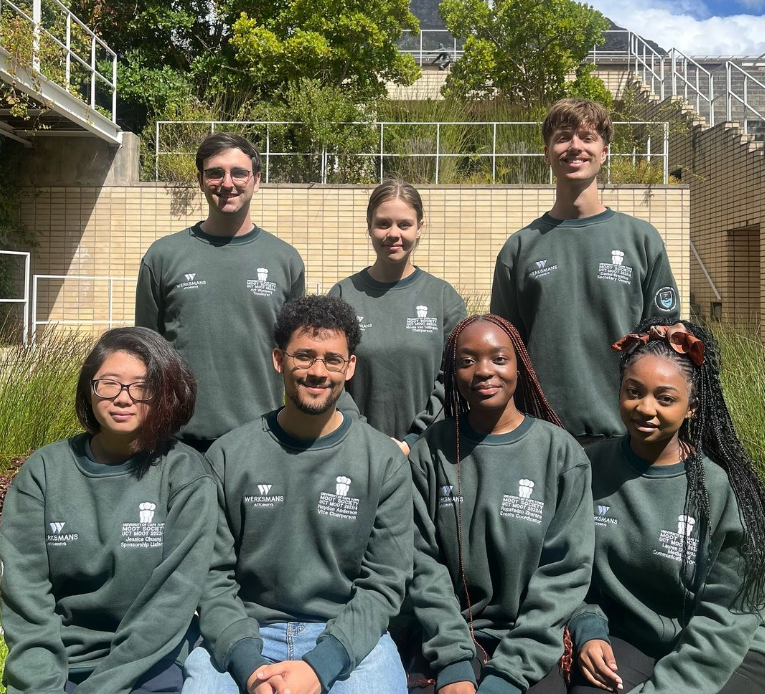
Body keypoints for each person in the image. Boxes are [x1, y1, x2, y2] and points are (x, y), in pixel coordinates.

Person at [167, 295, 414, 694]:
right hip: (243, 633)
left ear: (349, 366)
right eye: (304, 356)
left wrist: (319, 668)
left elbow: (385, 584)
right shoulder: (230, 455)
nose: (316, 371)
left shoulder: (383, 462)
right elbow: (211, 579)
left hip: (348, 636)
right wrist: (252, 667)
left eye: (330, 359)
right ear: (279, 359)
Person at [0, 327, 216, 694]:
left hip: (148, 669)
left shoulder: (185, 476)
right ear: (88, 389)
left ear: (166, 393)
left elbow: (166, 612)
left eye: (142, 386)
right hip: (52, 669)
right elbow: (25, 600)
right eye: (108, 383)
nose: (123, 398)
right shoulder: (44, 471)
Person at [559, 317, 765, 694]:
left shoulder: (718, 492)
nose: (645, 409)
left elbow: (721, 626)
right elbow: (570, 570)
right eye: (634, 392)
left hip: (732, 652)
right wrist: (587, 629)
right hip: (637, 640)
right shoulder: (591, 468)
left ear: (692, 406)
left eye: (665, 398)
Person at [407, 313, 595, 694]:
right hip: (447, 640)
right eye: (465, 361)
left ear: (520, 367)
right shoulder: (431, 452)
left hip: (530, 647)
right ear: (452, 373)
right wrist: (452, 664)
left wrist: (507, 676)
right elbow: (419, 563)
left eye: (497, 358)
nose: (482, 370)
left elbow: (566, 574)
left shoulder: (560, 453)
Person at [490, 98, 681, 444]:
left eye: (587, 138)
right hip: (541, 436)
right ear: (547, 153)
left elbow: (664, 346)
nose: (575, 146)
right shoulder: (519, 249)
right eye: (563, 137)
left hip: (629, 435)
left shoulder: (641, 240)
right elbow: (505, 355)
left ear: (605, 152)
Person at [135, 132, 306, 451]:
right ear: (200, 180)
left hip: (263, 438)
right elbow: (146, 354)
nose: (227, 183)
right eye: (215, 172)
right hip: (178, 439)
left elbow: (295, 355)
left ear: (256, 180)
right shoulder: (162, 256)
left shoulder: (285, 261)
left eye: (239, 172)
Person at [329, 178, 467, 454]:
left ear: (420, 228)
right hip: (355, 449)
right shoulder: (343, 295)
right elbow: (331, 375)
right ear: (369, 226)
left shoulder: (442, 298)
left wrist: (413, 440)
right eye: (383, 224)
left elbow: (454, 379)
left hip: (429, 451)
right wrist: (365, 437)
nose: (394, 233)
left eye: (404, 224)